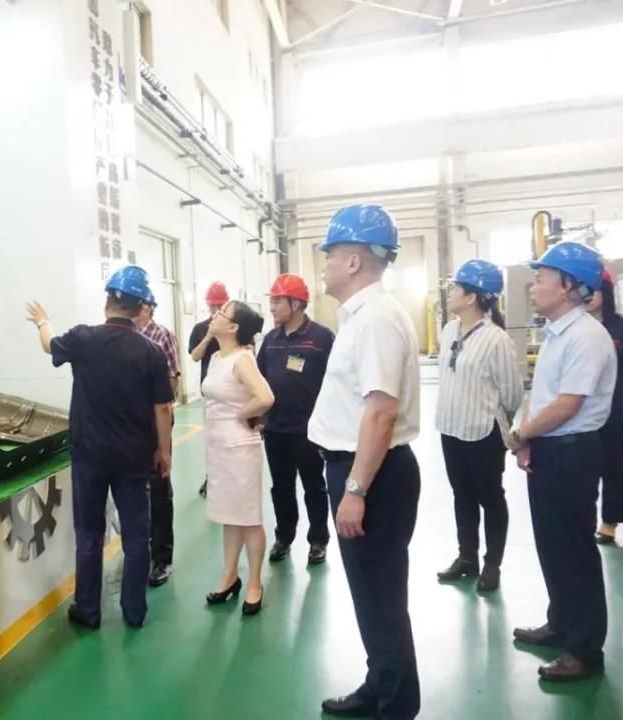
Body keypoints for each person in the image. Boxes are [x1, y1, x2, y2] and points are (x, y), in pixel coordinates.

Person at [308, 204, 422, 720]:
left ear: (353, 261)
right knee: (371, 596)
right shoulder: (361, 316)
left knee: (381, 596)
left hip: (371, 474)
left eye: (330, 254)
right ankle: (380, 686)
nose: (325, 264)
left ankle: (396, 706)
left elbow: (381, 412)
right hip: (361, 468)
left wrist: (354, 490)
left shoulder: (375, 319)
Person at [25, 265, 173, 630]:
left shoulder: (83, 338)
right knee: (136, 535)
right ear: (140, 308)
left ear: (107, 301)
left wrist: (43, 321)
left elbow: (48, 345)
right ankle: (134, 611)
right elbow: (163, 409)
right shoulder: (151, 352)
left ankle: (88, 610)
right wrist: (164, 451)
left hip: (89, 456)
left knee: (89, 534)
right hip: (134, 458)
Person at [509, 241, 616, 681]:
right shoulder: (557, 332)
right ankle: (561, 623)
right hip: (550, 448)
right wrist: (529, 437)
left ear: (569, 285)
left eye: (541, 279)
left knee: (574, 550)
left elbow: (569, 404)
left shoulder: (587, 336)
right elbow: (542, 394)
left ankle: (585, 650)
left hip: (572, 452)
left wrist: (522, 435)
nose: (533, 287)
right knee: (552, 544)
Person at [435, 259, 522, 593]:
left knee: (490, 497)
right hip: (451, 427)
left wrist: (505, 423)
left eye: (456, 288)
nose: (450, 293)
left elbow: (512, 393)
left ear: (472, 297)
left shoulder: (496, 339)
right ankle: (467, 558)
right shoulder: (449, 331)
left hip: (483, 432)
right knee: (462, 495)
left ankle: (492, 564)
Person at [257, 273, 335, 566]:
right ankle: (284, 537)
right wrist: (261, 418)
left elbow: (335, 383)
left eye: (277, 301)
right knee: (281, 487)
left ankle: (318, 540)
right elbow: (259, 379)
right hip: (275, 430)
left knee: (314, 486)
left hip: (310, 431)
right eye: (272, 301)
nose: (272, 307)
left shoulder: (322, 338)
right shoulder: (270, 340)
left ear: (297, 303)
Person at [202, 300, 274, 616]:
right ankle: (230, 575)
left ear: (233, 328)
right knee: (229, 515)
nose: (215, 315)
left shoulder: (243, 359)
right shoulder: (217, 357)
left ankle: (255, 583)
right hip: (218, 448)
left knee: (248, 518)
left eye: (222, 313)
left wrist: (241, 414)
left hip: (241, 448)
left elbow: (266, 397)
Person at [584, 269, 623, 545]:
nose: (588, 296)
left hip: (614, 408)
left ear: (607, 294)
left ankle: (610, 522)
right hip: (580, 408)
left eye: (593, 290)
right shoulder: (574, 327)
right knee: (581, 465)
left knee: (615, 464)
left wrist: (615, 384)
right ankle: (582, 516)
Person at [136, 291, 181, 588]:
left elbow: (173, 379)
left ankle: (162, 558)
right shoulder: (124, 335)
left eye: (139, 305)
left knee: (159, 486)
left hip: (156, 421)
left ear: (149, 308)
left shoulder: (162, 336)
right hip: (129, 424)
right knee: (133, 487)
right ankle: (139, 549)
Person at [189, 281, 230, 498]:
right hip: (211, 395)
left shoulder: (235, 327)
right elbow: (195, 356)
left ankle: (230, 479)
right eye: (213, 306)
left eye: (220, 306)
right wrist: (209, 336)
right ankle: (212, 477)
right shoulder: (200, 329)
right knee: (212, 440)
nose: (216, 310)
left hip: (233, 394)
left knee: (231, 439)